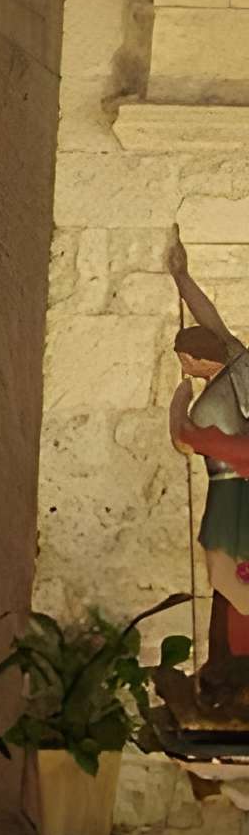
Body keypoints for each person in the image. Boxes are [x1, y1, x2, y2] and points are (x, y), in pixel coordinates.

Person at [167, 233, 249, 687]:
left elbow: (190, 441)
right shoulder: (235, 366)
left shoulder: (217, 396)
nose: (183, 368)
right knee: (226, 583)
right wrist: (183, 278)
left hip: (238, 498)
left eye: (185, 360)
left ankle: (236, 668)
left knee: (238, 583)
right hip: (227, 497)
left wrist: (179, 415)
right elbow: (213, 324)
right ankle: (225, 666)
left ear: (200, 359)